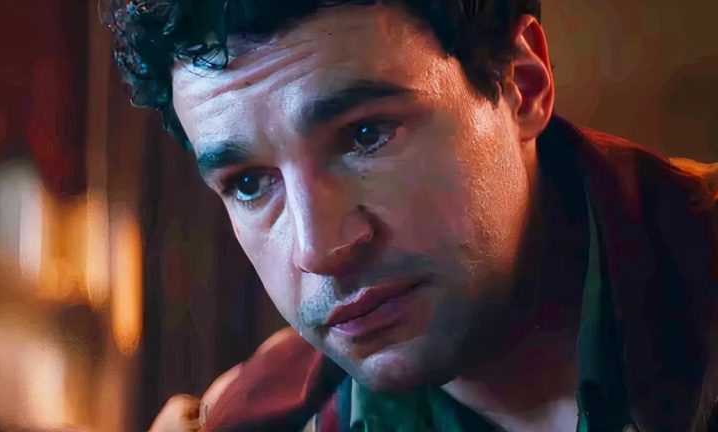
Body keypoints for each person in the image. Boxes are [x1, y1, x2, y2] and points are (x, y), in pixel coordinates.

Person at [104, 1, 718, 430]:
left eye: (366, 135)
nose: (317, 249)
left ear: (521, 84)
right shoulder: (253, 421)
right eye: (248, 184)